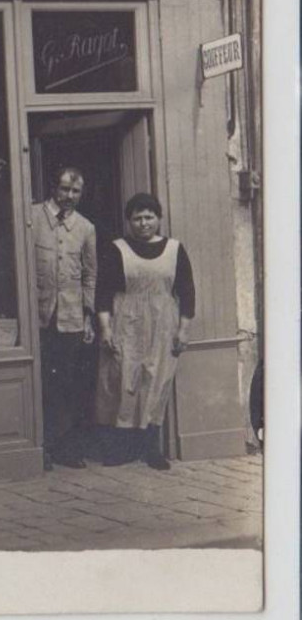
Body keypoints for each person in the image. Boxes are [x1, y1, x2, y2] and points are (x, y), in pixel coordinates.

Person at [95, 192, 195, 470]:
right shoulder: (117, 249)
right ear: (129, 222)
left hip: (163, 325)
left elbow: (187, 292)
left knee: (156, 382)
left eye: (149, 217)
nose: (143, 223)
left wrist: (184, 330)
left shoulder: (175, 249)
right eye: (137, 218)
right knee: (123, 382)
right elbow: (102, 292)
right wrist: (104, 328)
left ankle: (150, 449)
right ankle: (121, 449)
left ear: (159, 219)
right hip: (126, 322)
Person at [32, 166, 97, 470]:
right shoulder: (32, 217)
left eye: (76, 192)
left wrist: (87, 317)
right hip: (39, 318)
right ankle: (40, 448)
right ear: (53, 189)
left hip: (70, 319)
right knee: (41, 382)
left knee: (68, 385)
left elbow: (89, 275)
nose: (69, 196)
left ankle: (64, 447)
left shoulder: (85, 228)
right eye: (64, 189)